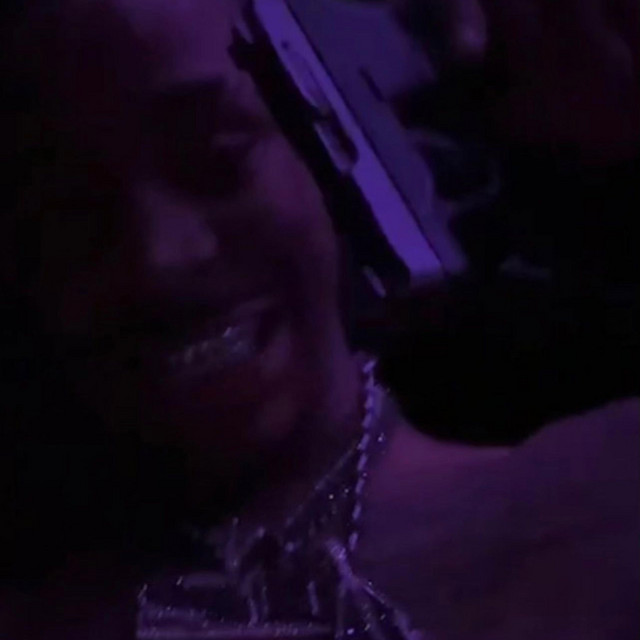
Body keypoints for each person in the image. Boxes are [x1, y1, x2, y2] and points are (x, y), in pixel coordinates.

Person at [0, 1, 637, 639]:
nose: (157, 259)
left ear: (330, 139)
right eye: (69, 217)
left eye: (216, 157)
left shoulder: (602, 492)